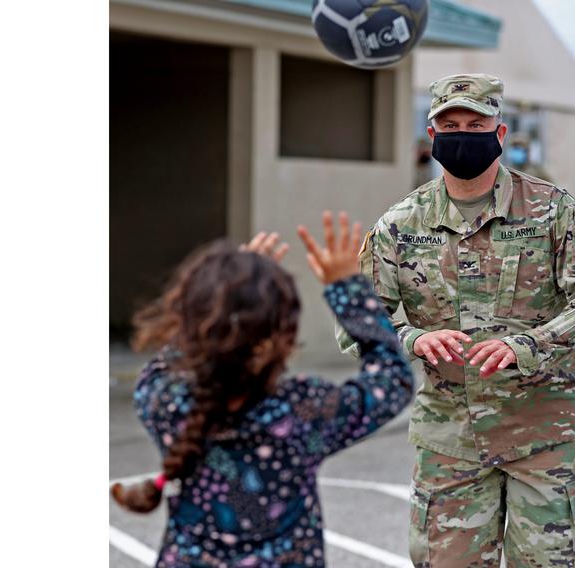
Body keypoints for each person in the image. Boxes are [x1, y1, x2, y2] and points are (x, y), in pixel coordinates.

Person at [337, 73, 575, 567]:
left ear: (500, 133)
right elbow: (357, 324)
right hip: (451, 440)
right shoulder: (399, 225)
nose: (462, 133)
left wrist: (529, 343)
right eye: (450, 124)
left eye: (476, 122)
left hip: (545, 433)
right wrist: (412, 337)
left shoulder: (553, 212)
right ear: (431, 136)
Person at [112, 212, 414, 568]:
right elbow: (392, 380)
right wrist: (348, 288)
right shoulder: (301, 410)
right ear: (282, 338)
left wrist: (225, 299)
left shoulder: (165, 402)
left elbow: (168, 362)